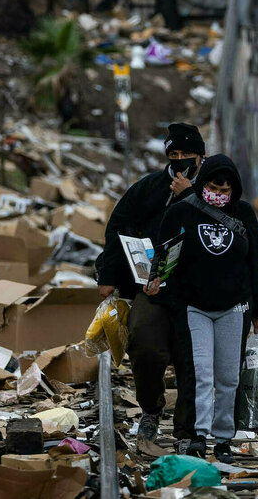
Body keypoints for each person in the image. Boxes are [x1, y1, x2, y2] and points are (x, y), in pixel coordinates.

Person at [147, 154, 258, 463]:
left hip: (234, 307)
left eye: (225, 190)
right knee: (201, 373)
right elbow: (165, 253)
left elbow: (254, 262)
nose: (219, 194)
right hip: (194, 307)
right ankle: (199, 436)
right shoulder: (182, 212)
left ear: (234, 190)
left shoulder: (243, 214)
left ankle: (224, 438)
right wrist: (157, 278)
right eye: (214, 187)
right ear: (203, 185)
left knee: (228, 377)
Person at [95, 122, 205, 450]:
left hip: (200, 292)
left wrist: (188, 196)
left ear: (202, 156)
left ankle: (188, 431)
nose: (181, 159)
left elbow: (229, 229)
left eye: (188, 154)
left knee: (192, 359)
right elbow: (118, 227)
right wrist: (109, 275)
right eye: (174, 154)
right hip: (151, 288)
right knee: (143, 342)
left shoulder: (213, 188)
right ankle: (151, 409)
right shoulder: (150, 188)